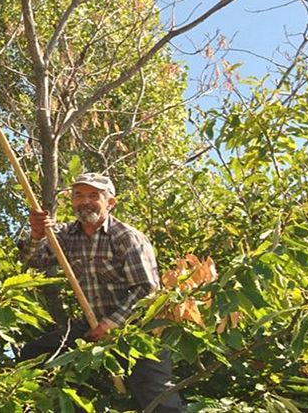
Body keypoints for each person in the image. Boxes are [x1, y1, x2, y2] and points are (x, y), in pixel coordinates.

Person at [18, 172, 184, 413]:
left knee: (158, 398)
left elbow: (147, 290)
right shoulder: (64, 235)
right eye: (79, 195)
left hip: (136, 328)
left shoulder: (127, 237)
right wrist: (36, 234)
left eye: (94, 195)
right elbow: (31, 261)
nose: (85, 201)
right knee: (34, 354)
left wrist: (109, 324)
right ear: (72, 201)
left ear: (111, 202)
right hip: (90, 326)